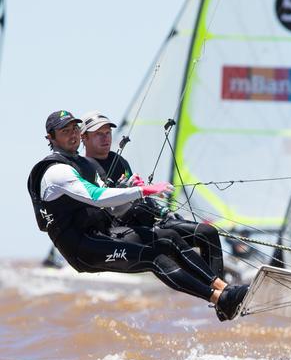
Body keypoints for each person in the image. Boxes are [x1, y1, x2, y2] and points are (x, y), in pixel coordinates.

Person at [28, 110, 247, 320]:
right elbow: (98, 196)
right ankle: (221, 298)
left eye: (74, 128)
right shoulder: (56, 171)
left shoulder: (82, 164)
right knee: (154, 257)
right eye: (65, 131)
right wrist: (144, 190)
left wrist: (131, 187)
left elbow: (112, 192)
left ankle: (224, 290)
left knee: (168, 239)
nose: (72, 134)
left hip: (103, 235)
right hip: (82, 248)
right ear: (51, 137)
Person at [79, 110, 227, 277]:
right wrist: (127, 190)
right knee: (170, 238)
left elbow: (138, 195)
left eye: (108, 133)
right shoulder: (84, 168)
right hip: (123, 230)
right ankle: (214, 290)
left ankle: (221, 294)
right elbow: (110, 208)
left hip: (148, 220)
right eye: (99, 134)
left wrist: (164, 212)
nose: (106, 138)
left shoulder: (119, 161)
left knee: (208, 233)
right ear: (84, 137)